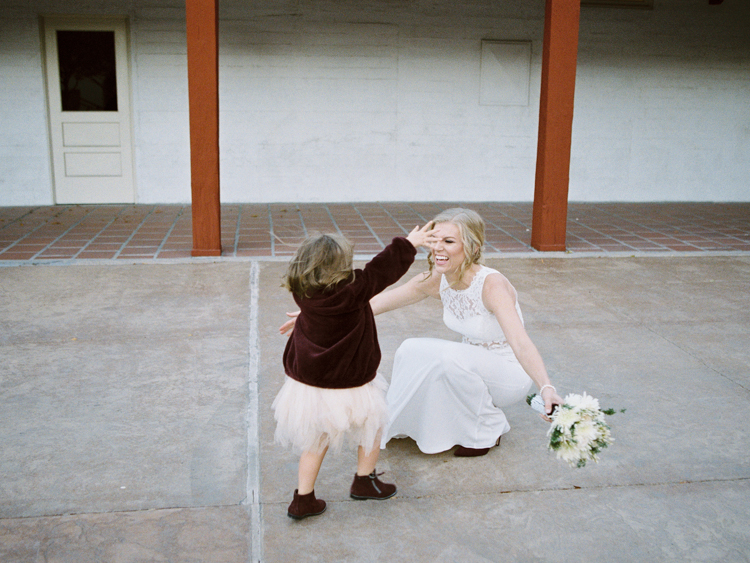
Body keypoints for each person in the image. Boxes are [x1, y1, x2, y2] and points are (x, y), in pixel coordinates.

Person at [369, 208, 563, 456]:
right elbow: (376, 304)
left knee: (449, 357)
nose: (438, 248)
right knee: (410, 348)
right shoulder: (435, 279)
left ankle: (489, 428)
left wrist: (546, 387)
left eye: (449, 241)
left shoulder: (491, 285)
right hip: (469, 366)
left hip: (508, 374)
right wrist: (318, 317)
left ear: (472, 247)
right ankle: (406, 419)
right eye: (434, 240)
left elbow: (520, 341)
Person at [273, 223, 434, 519]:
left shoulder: (304, 292)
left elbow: (325, 311)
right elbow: (383, 268)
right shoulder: (354, 290)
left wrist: (302, 319)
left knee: (316, 440)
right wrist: (410, 243)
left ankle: (303, 499)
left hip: (310, 383)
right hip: (349, 382)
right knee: (372, 427)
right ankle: (364, 481)